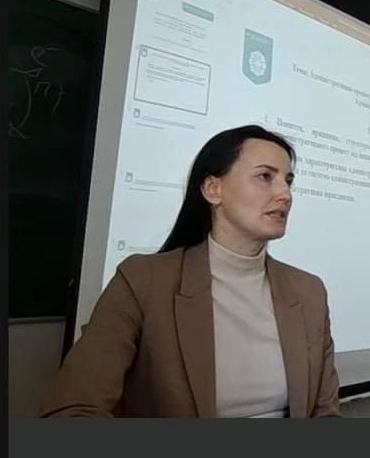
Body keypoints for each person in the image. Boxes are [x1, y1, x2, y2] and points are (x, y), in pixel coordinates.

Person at [42, 125, 341, 418]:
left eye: (288, 180)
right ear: (213, 189)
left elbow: (324, 413)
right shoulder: (143, 281)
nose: (285, 194)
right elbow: (74, 408)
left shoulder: (309, 291)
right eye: (265, 177)